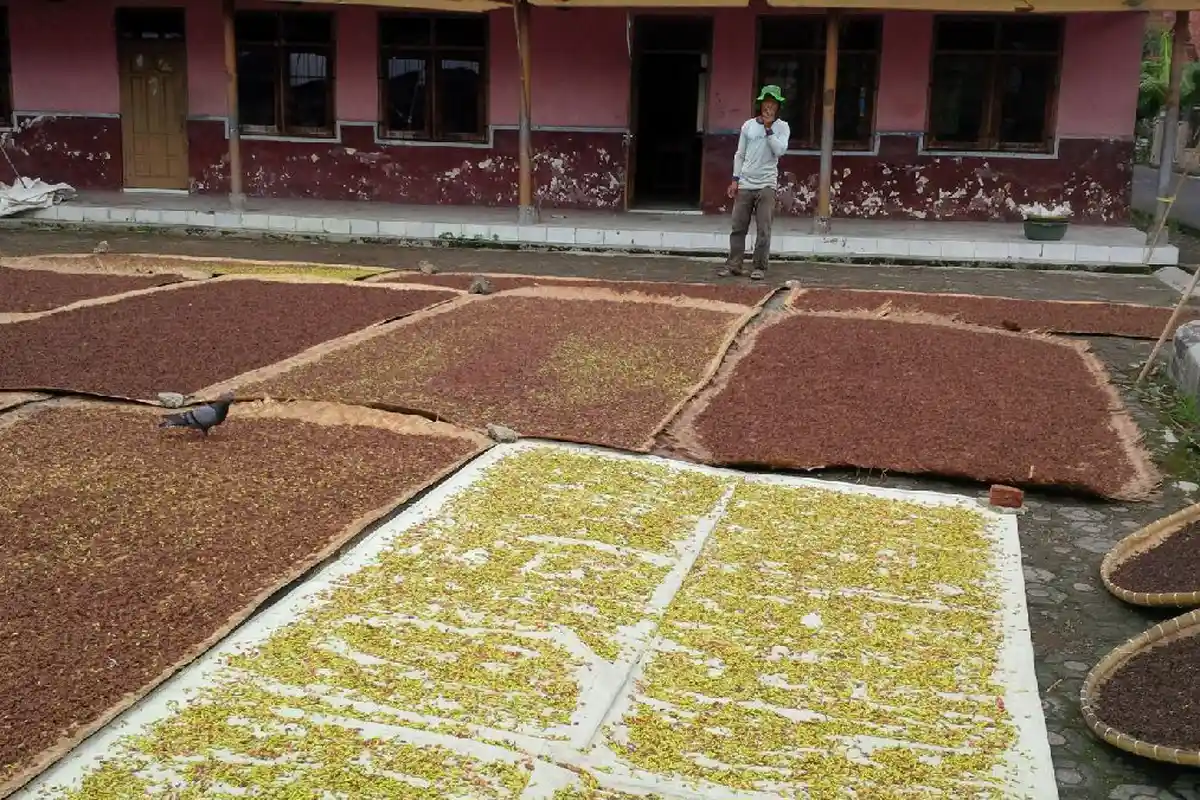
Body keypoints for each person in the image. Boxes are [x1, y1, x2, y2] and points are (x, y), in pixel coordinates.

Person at [719, 85, 791, 281]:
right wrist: (735, 179)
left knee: (763, 229)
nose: (769, 107)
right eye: (766, 103)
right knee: (738, 227)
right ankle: (734, 265)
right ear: (760, 105)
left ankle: (759, 267)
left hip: (766, 184)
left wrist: (768, 130)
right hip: (745, 183)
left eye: (773, 104)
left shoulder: (782, 127)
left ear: (778, 107)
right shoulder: (748, 126)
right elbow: (740, 154)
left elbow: (779, 151)